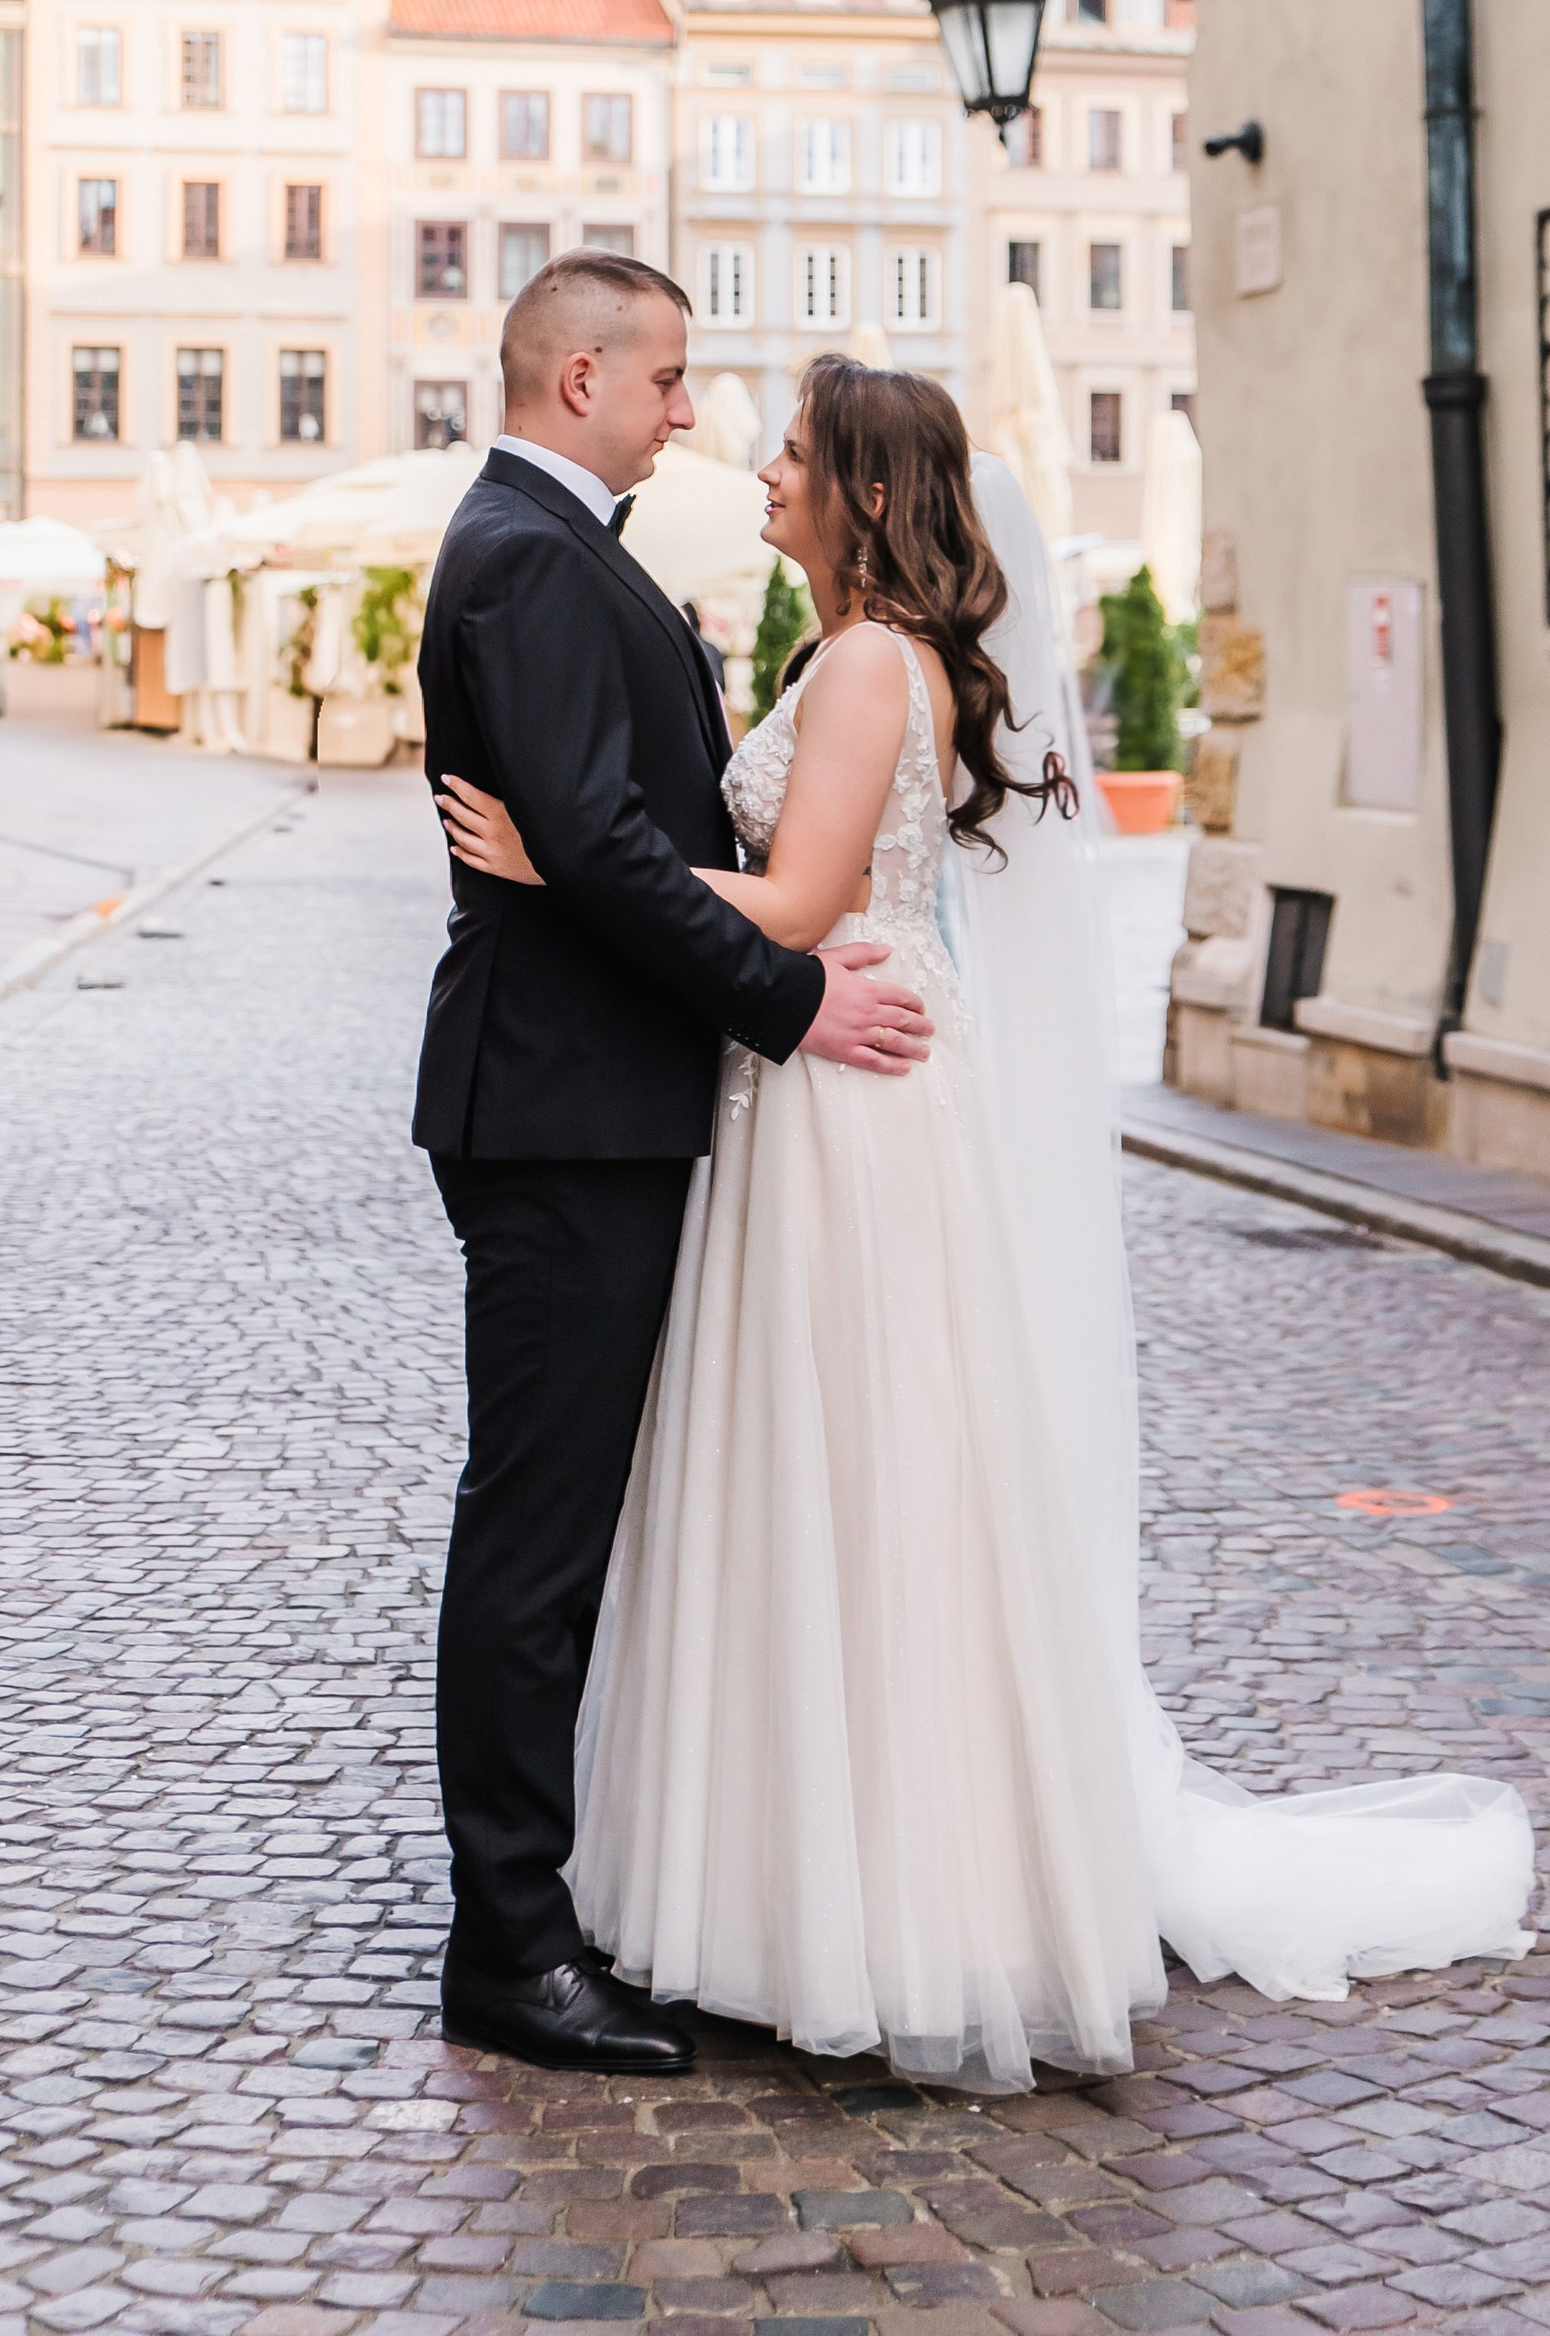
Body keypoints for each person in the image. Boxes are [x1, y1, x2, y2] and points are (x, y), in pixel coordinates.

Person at [438, 354, 1535, 2088]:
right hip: (815, 1084)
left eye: (797, 452)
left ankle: (882, 1907)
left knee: (867, 1489)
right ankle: (797, 1884)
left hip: (848, 1100)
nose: (766, 468)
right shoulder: (847, 654)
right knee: (821, 1483)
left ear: (867, 494)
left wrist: (550, 864)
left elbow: (801, 901)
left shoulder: (873, 663)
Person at [415, 258, 936, 2079]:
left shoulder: (567, 549)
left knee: (559, 1531)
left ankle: (542, 1915)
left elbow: (610, 844)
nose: (692, 412)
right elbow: (605, 852)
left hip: (597, 1101)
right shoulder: (532, 557)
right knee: (536, 1538)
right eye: (672, 379)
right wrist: (793, 1001)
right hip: (560, 1111)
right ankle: (512, 1947)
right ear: (581, 380)